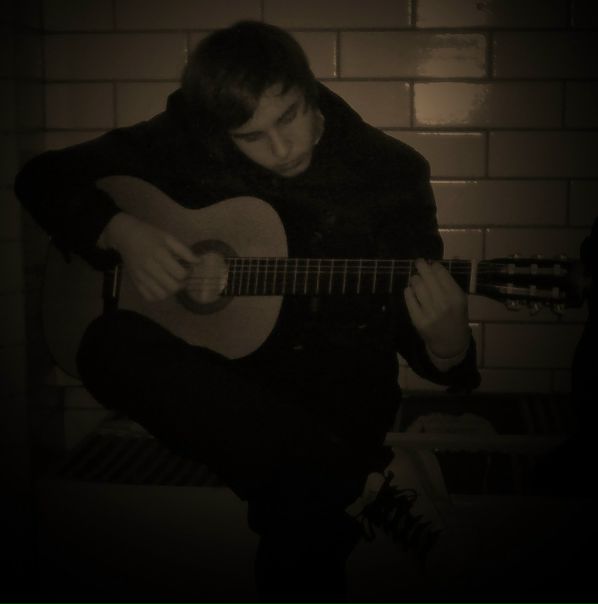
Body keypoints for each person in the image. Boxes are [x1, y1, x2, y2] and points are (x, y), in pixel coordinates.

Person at [15, 21, 480, 598]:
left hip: (331, 399)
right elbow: (40, 178)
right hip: (221, 383)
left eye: (289, 117)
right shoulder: (192, 133)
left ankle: (344, 484)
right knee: (103, 347)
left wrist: (449, 347)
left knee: (299, 527)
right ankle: (360, 482)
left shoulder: (389, 172)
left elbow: (419, 318)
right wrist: (120, 230)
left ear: (308, 89)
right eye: (252, 137)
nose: (281, 149)